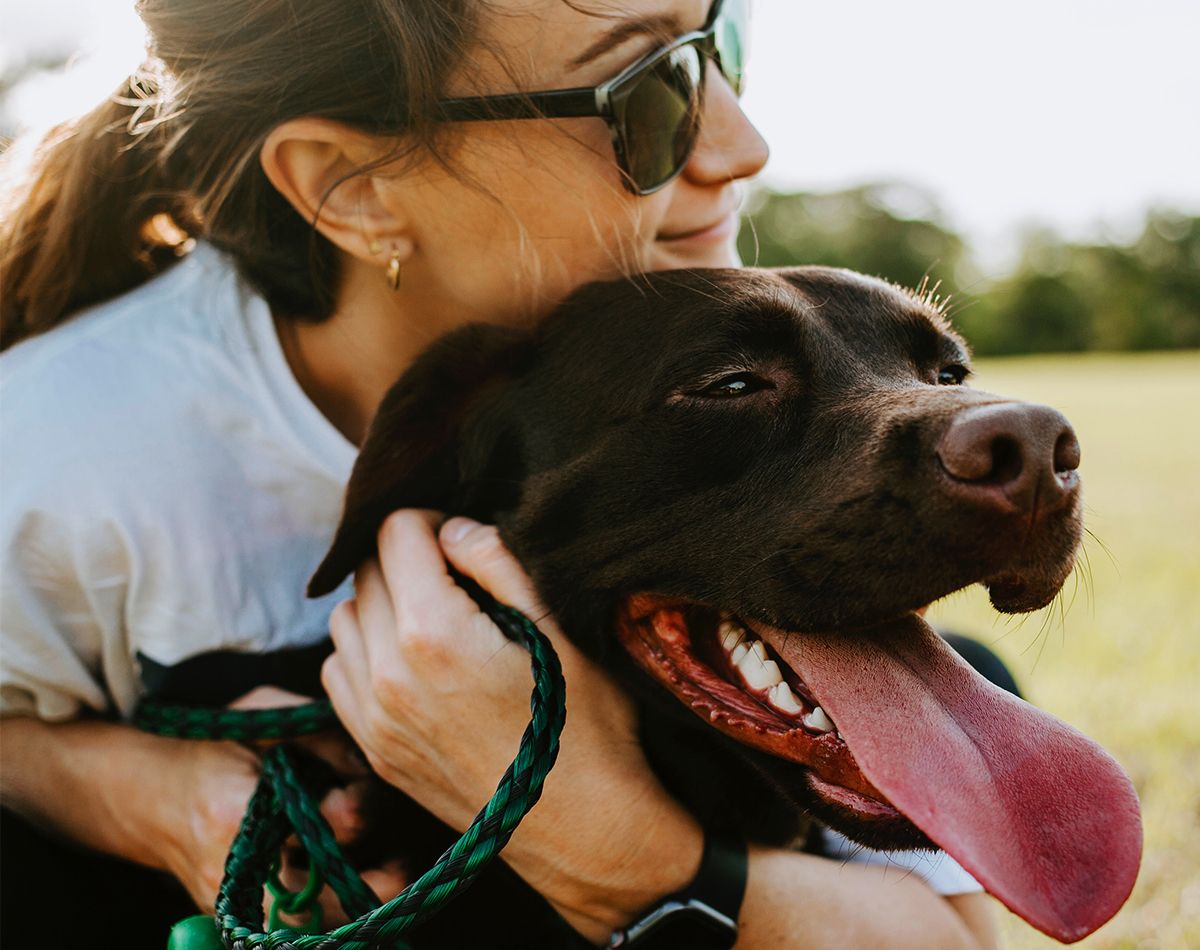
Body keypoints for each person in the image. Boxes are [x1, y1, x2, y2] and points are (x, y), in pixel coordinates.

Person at [0, 0, 997, 947]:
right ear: (354, 187)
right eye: (646, 91)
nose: (741, 144)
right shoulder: (58, 451)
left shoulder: (709, 301)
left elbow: (951, 936)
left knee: (968, 671)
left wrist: (603, 835)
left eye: (718, 39)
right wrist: (156, 796)